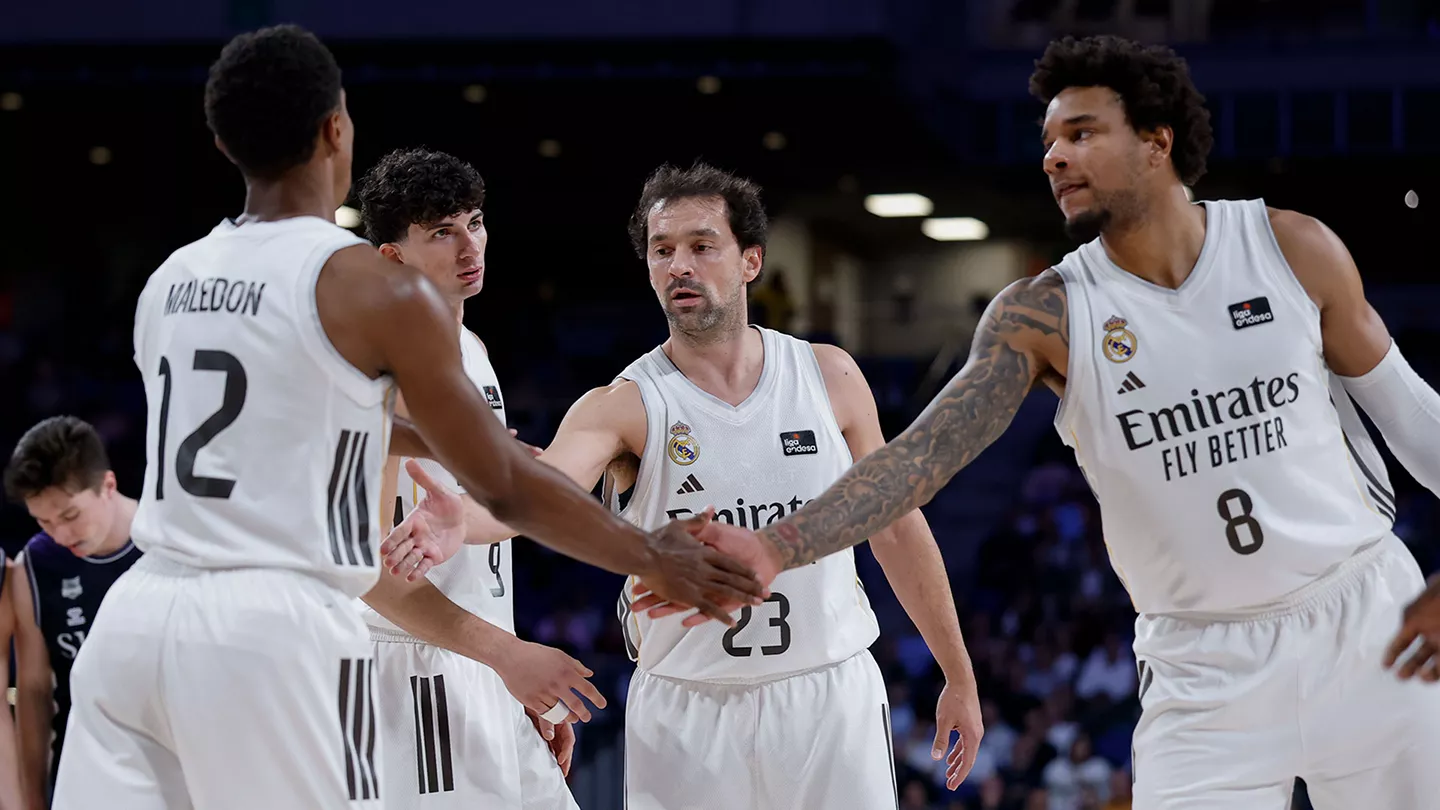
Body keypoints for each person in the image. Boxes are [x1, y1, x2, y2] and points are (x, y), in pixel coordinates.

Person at [684, 34, 1440, 809]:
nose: (1053, 157)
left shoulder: (1289, 247)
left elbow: (1419, 423)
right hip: (1202, 667)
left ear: (1156, 142)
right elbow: (918, 461)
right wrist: (777, 546)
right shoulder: (1045, 314)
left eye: (1080, 133)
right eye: (1047, 141)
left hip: (1364, 623)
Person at [49, 25, 764, 810]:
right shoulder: (365, 287)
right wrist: (652, 554)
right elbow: (510, 491)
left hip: (141, 618)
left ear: (222, 143)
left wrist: (441, 447)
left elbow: (295, 423)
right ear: (337, 128)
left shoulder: (170, 281)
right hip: (270, 627)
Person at [388, 162, 984, 808]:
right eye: (662, 250)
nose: (679, 266)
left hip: (828, 695)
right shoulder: (622, 405)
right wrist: (465, 522)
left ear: (751, 260)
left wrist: (958, 672)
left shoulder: (829, 377)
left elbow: (897, 526)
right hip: (687, 713)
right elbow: (541, 493)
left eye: (701, 246)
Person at [353, 147, 586, 809]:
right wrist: (506, 659)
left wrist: (507, 673)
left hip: (480, 663)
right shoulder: (378, 366)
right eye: (440, 232)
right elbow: (365, 567)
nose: (468, 245)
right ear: (391, 256)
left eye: (474, 222)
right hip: (413, 666)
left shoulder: (471, 349)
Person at [4, 416, 141, 810]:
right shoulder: (35, 564)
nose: (61, 535)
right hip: (85, 769)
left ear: (107, 486)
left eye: (69, 516)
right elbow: (33, 691)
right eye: (43, 522)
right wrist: (32, 796)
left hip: (174, 759)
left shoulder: (165, 539)